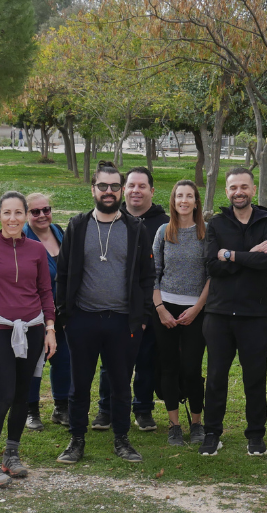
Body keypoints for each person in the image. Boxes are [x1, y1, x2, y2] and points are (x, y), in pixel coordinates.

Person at [55, 161, 154, 465]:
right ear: (93, 188)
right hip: (82, 318)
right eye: (103, 186)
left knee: (121, 384)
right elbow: (63, 272)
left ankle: (122, 440)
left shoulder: (136, 228)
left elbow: (147, 274)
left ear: (121, 190)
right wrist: (64, 314)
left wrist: (143, 314)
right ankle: (76, 440)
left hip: (123, 321)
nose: (108, 192)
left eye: (114, 186)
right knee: (80, 383)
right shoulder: (78, 225)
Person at [0, 191, 56, 487]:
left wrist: (50, 328)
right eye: (7, 213)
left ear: (25, 216)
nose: (12, 218)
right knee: (4, 395)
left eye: (18, 213)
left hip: (32, 328)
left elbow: (46, 291)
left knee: (22, 395)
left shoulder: (36, 249)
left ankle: (11, 455)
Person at [201, 167, 267, 457]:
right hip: (219, 314)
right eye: (233, 187)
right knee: (217, 375)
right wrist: (248, 255)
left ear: (253, 188)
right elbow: (212, 266)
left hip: (254, 315)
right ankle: (212, 433)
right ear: (227, 191)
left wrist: (230, 254)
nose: (239, 192)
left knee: (255, 378)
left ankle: (255, 435)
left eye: (244, 187)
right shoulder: (217, 224)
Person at [95, 167, 168, 432]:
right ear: (123, 189)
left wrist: (154, 306)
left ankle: (143, 408)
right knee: (110, 361)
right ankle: (107, 409)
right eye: (131, 186)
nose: (136, 191)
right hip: (113, 304)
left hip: (149, 304)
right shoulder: (108, 218)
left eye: (142, 186)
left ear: (151, 190)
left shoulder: (163, 223)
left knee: (147, 359)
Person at [152, 180, 210, 447]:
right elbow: (154, 274)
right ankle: (174, 425)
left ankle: (196, 423)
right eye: (179, 196)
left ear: (196, 202)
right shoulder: (164, 231)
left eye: (189, 196)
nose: (184, 201)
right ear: (173, 201)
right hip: (166, 309)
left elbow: (212, 276)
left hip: (195, 311)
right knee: (168, 367)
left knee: (191, 368)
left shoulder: (206, 233)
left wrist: (197, 308)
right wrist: (160, 308)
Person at [22, 193, 71, 430]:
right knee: (34, 360)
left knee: (63, 358)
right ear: (26, 214)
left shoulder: (59, 231)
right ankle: (30, 410)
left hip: (62, 308)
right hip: (34, 310)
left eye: (46, 210)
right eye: (35, 212)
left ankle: (61, 407)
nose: (42, 215)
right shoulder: (22, 238)